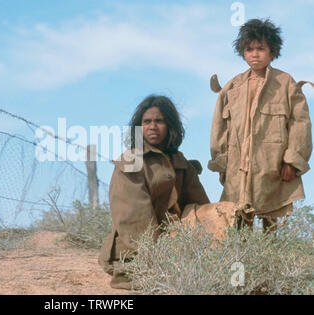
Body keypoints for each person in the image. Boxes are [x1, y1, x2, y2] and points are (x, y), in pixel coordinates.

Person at [208, 18, 312, 232]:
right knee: (237, 223)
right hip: (238, 168)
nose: (255, 54)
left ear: (272, 51)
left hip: (273, 168)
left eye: (261, 48)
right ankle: (244, 262)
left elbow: (300, 124)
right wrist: (221, 164)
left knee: (272, 223)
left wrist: (292, 161)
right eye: (249, 49)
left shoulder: (286, 84)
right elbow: (220, 127)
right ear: (242, 52)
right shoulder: (233, 86)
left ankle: (271, 263)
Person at [98, 95, 210, 290]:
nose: (152, 127)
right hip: (135, 251)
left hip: (175, 247)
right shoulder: (131, 161)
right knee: (157, 283)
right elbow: (134, 218)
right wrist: (160, 256)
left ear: (170, 126)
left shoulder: (181, 162)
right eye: (146, 121)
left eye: (159, 121)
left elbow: (202, 208)